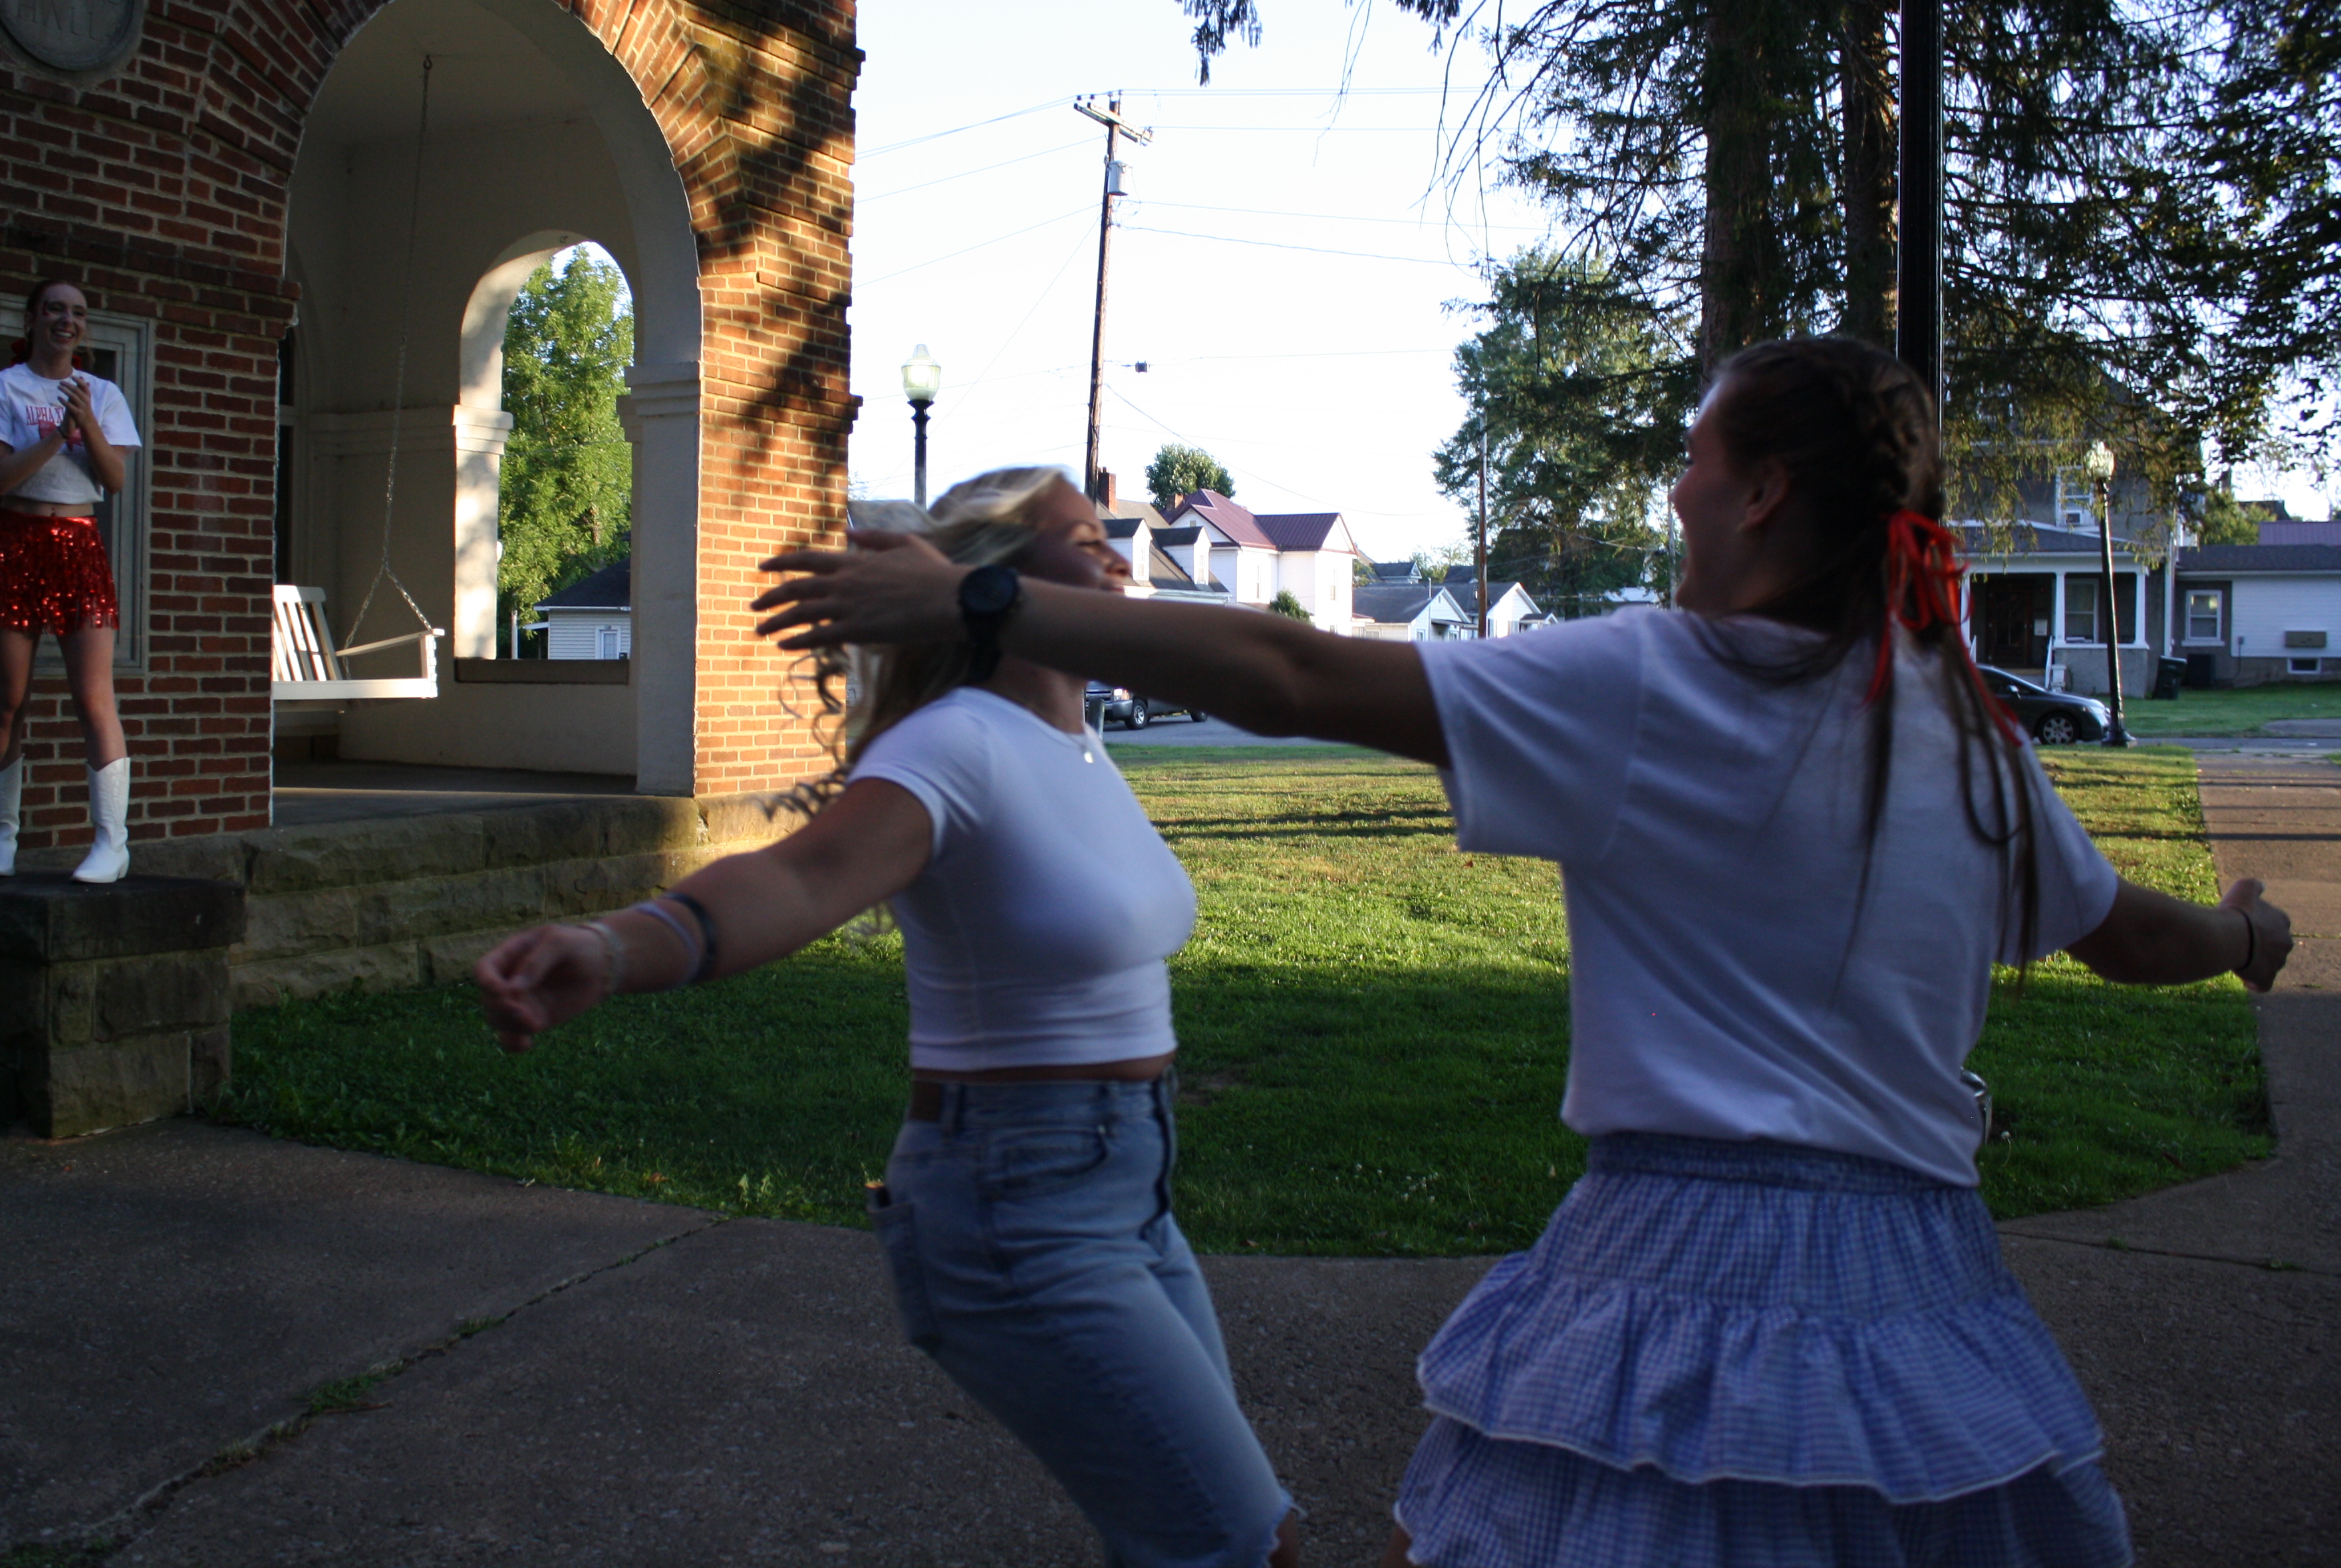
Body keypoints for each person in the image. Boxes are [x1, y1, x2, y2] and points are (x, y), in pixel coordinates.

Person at [753, 338, 2294, 1568]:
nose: (1673, 495)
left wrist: (981, 594)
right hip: (1928, 1300)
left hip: (1682, 1272)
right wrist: (2244, 932)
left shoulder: (1659, 682)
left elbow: (1293, 673)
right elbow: (2127, 934)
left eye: (1696, 462)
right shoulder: (1967, 733)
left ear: (1762, 494)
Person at [474, 467, 1302, 1568]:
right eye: (1081, 538)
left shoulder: (1079, 744)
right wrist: (619, 945)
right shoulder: (954, 743)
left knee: (1191, 1534)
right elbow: (800, 877)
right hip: (1018, 1201)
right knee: (1237, 1541)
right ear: (992, 580)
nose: (1114, 556)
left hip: (1128, 1189)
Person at [0, 277, 140, 883]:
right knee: (8, 700)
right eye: (56, 310)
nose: (68, 321)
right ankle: (0, 837)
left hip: (78, 543)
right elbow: (0, 477)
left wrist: (86, 421)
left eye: (79, 313)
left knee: (94, 698)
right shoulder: (0, 388)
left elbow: (114, 478)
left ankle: (112, 843)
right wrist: (57, 435)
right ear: (33, 319)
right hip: (17, 541)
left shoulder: (103, 394)